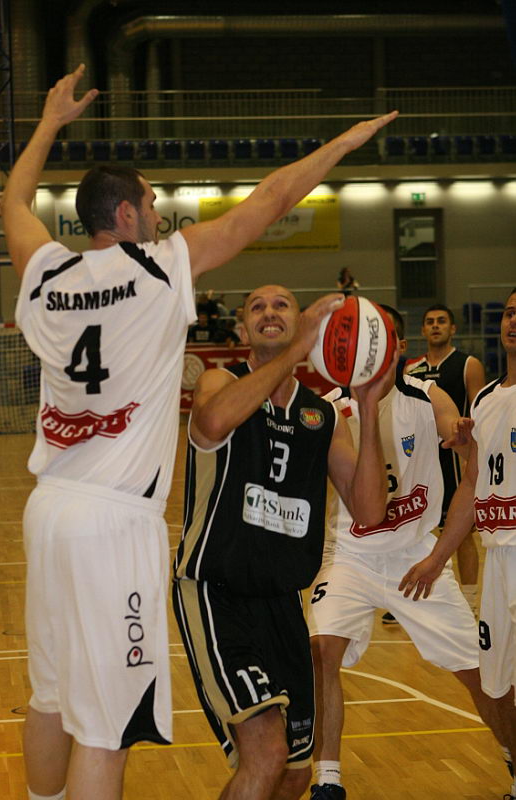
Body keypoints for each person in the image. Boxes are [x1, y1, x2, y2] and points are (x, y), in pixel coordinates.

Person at [0, 63, 398, 800]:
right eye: (152, 204)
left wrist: (49, 124)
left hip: (48, 509)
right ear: (126, 214)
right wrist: (341, 144)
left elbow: (13, 202)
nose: (159, 216)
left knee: (50, 697)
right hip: (113, 521)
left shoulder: (47, 274)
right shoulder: (157, 270)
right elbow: (270, 199)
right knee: (107, 729)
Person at [173, 285, 393, 800]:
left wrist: (367, 406)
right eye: (257, 307)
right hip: (216, 593)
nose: (269, 312)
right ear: (243, 329)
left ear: (301, 321)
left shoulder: (322, 416)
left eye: (281, 306)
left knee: (294, 774)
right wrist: (298, 350)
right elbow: (212, 423)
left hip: (283, 604)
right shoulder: (220, 382)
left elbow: (369, 511)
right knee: (266, 752)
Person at [308, 305, 507, 800]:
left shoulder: (425, 394)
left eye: (386, 337)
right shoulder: (331, 408)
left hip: (416, 556)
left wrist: (460, 437)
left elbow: (452, 426)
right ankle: (328, 779)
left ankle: (512, 754)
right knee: (321, 649)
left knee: (479, 673)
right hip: (350, 554)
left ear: (397, 347)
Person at [400, 288, 516, 800]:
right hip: (498, 558)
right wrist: (436, 558)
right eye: (509, 312)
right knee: (498, 685)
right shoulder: (486, 400)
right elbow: (471, 486)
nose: (513, 320)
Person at [406, 303, 486, 616]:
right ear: (423, 329)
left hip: (455, 458)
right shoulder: (411, 370)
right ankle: (409, 594)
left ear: (452, 328)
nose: (435, 325)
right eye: (430, 321)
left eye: (441, 321)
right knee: (416, 531)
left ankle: (470, 601)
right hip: (422, 460)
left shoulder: (468, 364)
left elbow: (479, 413)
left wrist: (472, 457)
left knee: (461, 533)